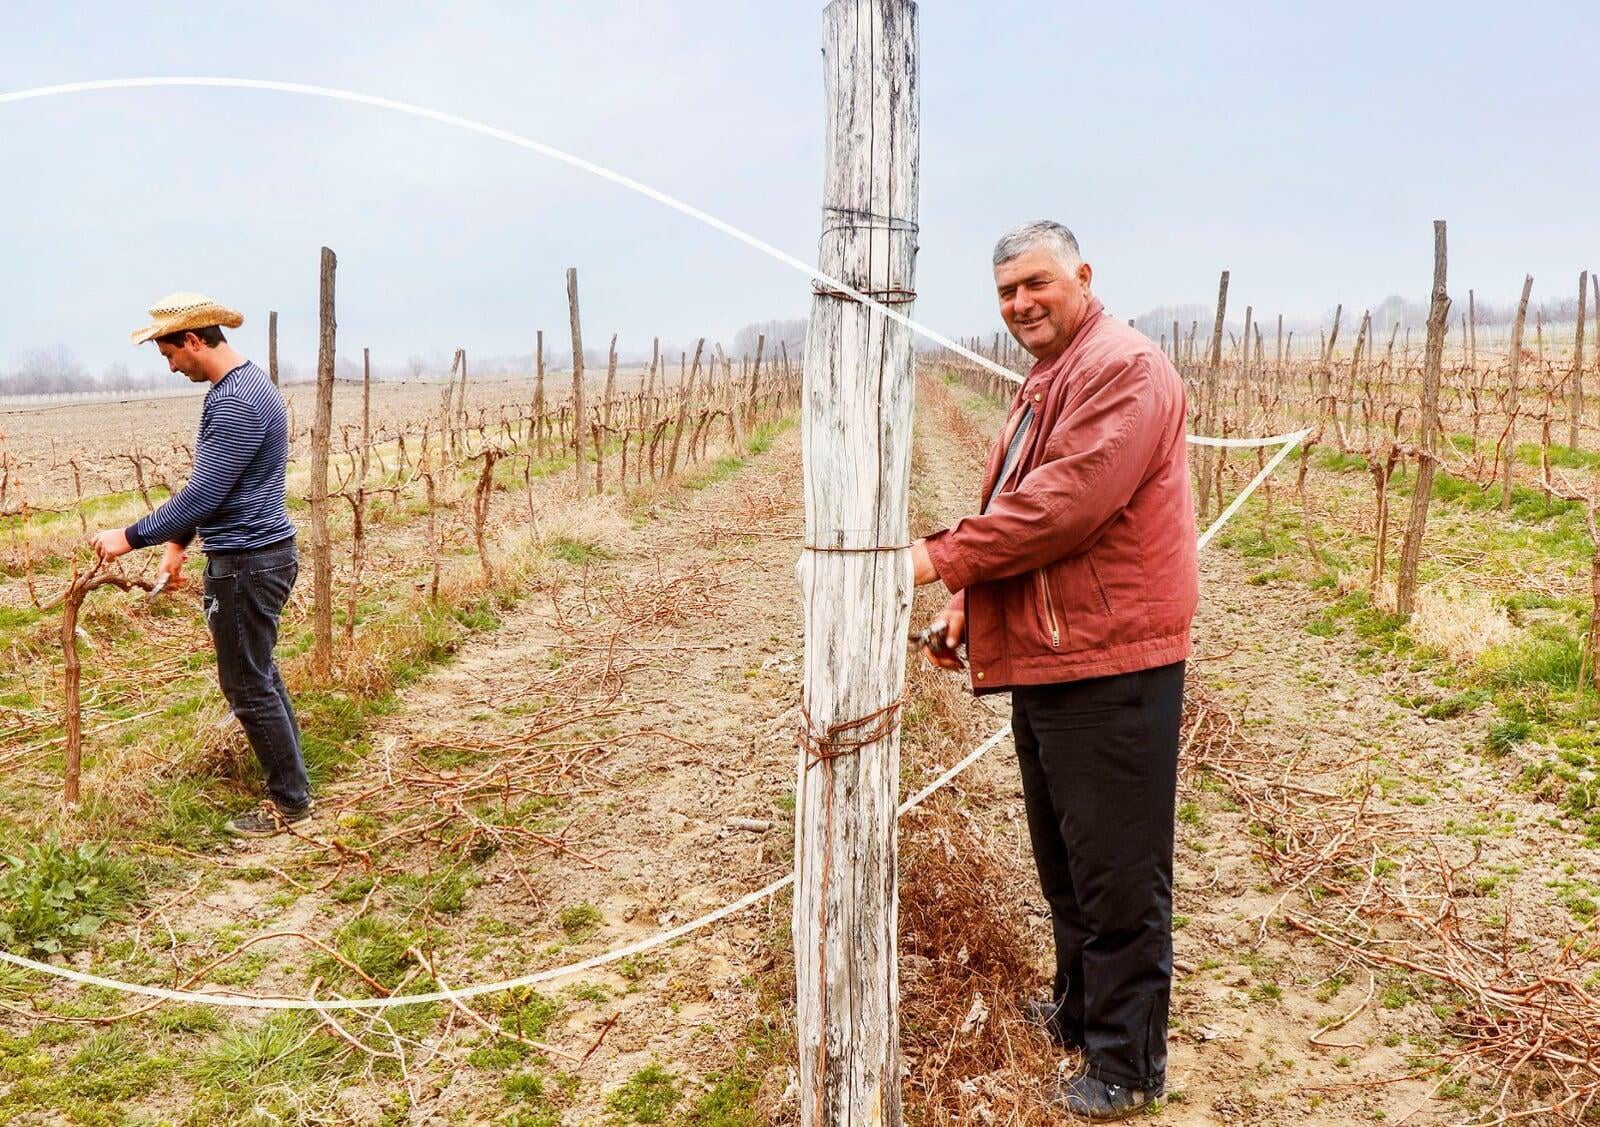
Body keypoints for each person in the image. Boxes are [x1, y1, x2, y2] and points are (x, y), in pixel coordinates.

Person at [909, 221, 1198, 1119]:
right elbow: (1015, 499)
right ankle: (1080, 1014)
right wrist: (970, 604)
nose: (1021, 303)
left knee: (1117, 870)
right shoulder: (1049, 376)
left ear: (1082, 274)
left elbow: (1063, 507)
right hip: (1057, 648)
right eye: (1006, 292)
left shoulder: (1123, 367)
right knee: (1067, 859)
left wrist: (929, 562)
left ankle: (1127, 1064)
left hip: (1110, 658)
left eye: (1036, 282)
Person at [89, 293, 312, 839]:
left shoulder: (235, 402)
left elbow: (205, 494)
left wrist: (131, 536)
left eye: (168, 353)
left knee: (246, 684)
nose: (168, 365)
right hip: (257, 555)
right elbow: (212, 487)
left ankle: (289, 803)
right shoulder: (241, 386)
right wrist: (177, 546)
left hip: (247, 563)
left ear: (193, 340)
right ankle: (293, 781)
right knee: (258, 672)